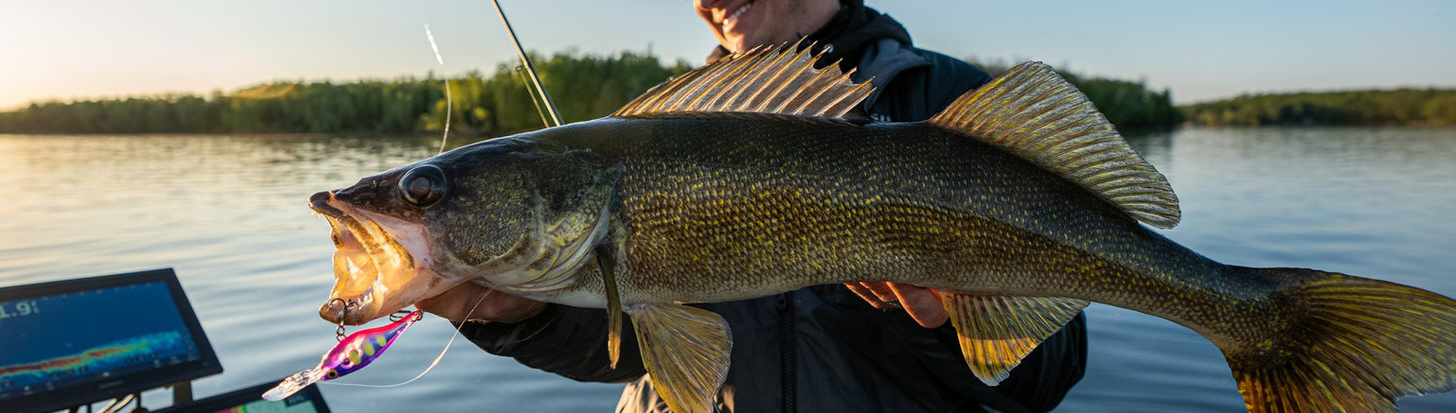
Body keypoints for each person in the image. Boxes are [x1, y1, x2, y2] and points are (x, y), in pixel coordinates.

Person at [415, 1, 1088, 412]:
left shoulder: (947, 105)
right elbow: (629, 350)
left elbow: (1046, 377)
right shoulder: (654, 129)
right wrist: (520, 317)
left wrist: (944, 321)